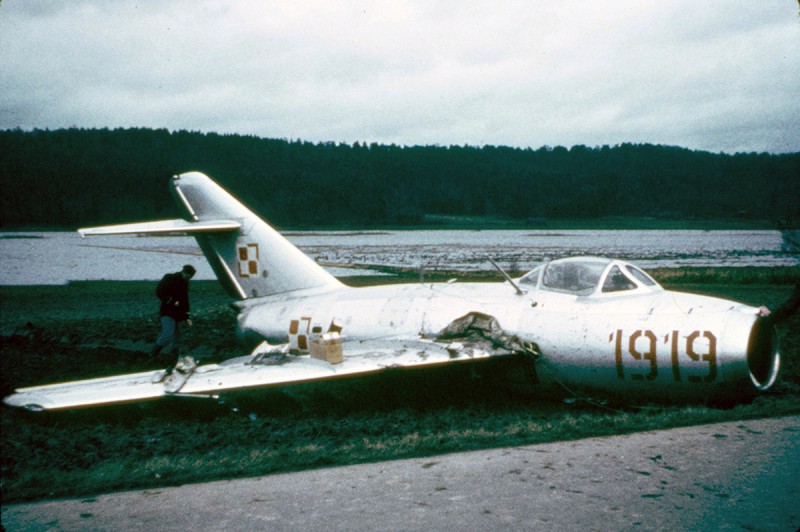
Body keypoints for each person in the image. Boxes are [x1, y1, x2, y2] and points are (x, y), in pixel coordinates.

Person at [150, 264, 196, 360]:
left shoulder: (185, 283)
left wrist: (187, 316)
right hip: (167, 312)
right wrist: (171, 301)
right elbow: (159, 292)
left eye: (190, 277)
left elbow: (185, 301)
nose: (189, 278)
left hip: (177, 314)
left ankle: (173, 357)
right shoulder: (169, 278)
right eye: (189, 276)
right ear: (184, 272)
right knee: (167, 335)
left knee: (177, 338)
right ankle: (153, 354)